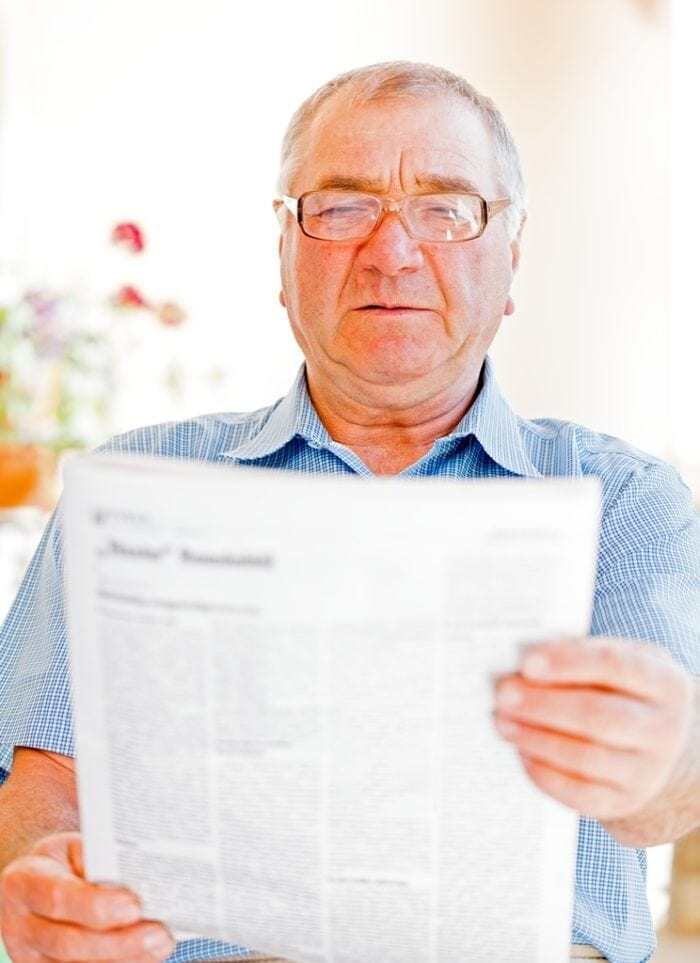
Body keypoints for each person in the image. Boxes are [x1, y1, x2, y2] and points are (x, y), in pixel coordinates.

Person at [0, 60, 698, 963]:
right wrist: (38, 873)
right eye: (340, 205)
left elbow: (670, 797)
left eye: (446, 208)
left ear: (509, 258)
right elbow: (43, 779)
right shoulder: (135, 482)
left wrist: (659, 760)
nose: (392, 251)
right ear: (284, 254)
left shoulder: (629, 502)